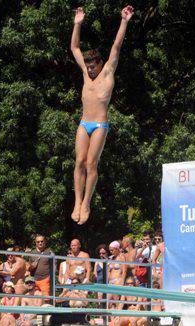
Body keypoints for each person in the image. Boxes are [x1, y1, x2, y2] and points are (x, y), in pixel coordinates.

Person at [70, 5, 135, 225]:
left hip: (99, 124)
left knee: (91, 163)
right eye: (87, 67)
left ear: (100, 64)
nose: (89, 70)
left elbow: (116, 47)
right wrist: (77, 23)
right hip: (84, 123)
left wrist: (124, 21)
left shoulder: (107, 72)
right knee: (79, 161)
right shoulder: (86, 76)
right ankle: (77, 202)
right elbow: (74, 47)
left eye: (92, 66)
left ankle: (87, 202)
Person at [28, 235, 52, 300]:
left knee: (46, 299)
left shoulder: (49, 252)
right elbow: (29, 269)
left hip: (45, 279)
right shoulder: (32, 253)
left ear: (45, 242)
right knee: (34, 300)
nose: (40, 243)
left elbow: (54, 266)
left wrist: (50, 277)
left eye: (42, 241)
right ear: (35, 243)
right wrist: (32, 267)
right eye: (38, 242)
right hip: (34, 280)